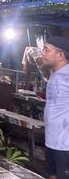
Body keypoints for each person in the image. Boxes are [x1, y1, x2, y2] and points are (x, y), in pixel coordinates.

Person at [39, 36, 69, 179]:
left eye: (46, 50)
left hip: (66, 145)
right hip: (51, 140)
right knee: (51, 175)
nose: (42, 53)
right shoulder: (53, 73)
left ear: (60, 55)